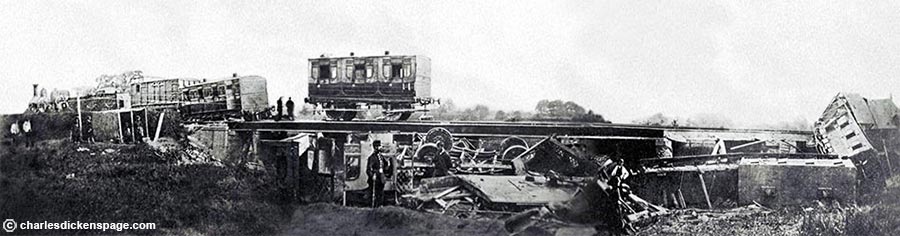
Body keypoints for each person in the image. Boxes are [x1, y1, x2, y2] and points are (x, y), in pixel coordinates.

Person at [366, 140, 387, 207]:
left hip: (381, 177)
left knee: (381, 192)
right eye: (379, 146)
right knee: (375, 193)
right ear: (375, 147)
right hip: (375, 178)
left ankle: (380, 205)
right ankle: (374, 207)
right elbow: (368, 169)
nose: (380, 148)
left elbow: (385, 165)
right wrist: (372, 176)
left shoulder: (381, 156)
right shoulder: (372, 157)